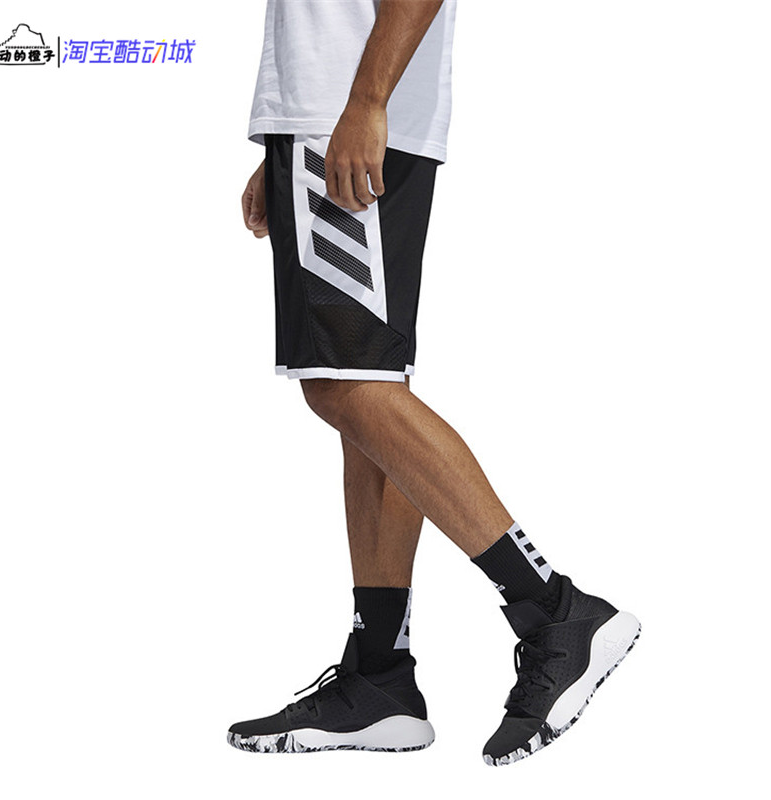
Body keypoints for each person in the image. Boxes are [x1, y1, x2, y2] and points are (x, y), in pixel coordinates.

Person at [228, 0, 640, 766]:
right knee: (362, 385)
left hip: (346, 114)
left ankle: (555, 610)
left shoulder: (358, 104)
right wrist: (283, 141)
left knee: (343, 384)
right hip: (323, 119)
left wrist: (362, 103)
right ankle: (380, 679)